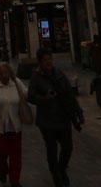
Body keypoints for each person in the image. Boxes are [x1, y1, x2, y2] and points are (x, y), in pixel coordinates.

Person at [28, 48, 84, 187]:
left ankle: (61, 168)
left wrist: (78, 111)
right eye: (45, 60)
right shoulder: (36, 77)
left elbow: (69, 94)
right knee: (51, 149)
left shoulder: (59, 73)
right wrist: (44, 98)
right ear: (40, 62)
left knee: (67, 148)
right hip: (47, 120)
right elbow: (30, 96)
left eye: (50, 59)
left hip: (63, 117)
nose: (49, 62)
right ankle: (56, 175)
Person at [0, 62, 27, 187]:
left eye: (6, 72)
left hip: (15, 125)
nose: (4, 75)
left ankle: (15, 180)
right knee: (1, 151)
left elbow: (26, 93)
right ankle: (3, 169)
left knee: (16, 154)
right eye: (2, 73)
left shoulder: (16, 83)